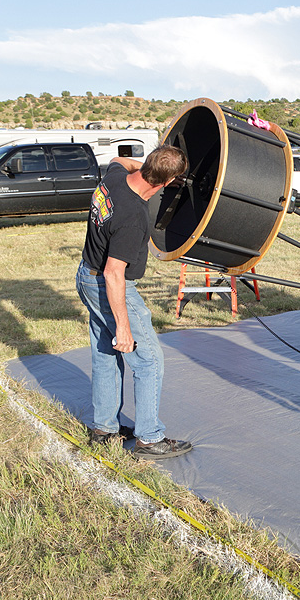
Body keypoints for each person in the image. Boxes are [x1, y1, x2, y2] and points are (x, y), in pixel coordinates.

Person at [75, 145, 192, 459]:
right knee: (148, 361)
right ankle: (150, 438)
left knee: (104, 353)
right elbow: (115, 274)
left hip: (86, 274)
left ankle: (104, 429)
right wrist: (124, 328)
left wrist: (159, 168)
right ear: (164, 184)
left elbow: (118, 159)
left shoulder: (115, 176)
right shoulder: (134, 217)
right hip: (108, 283)